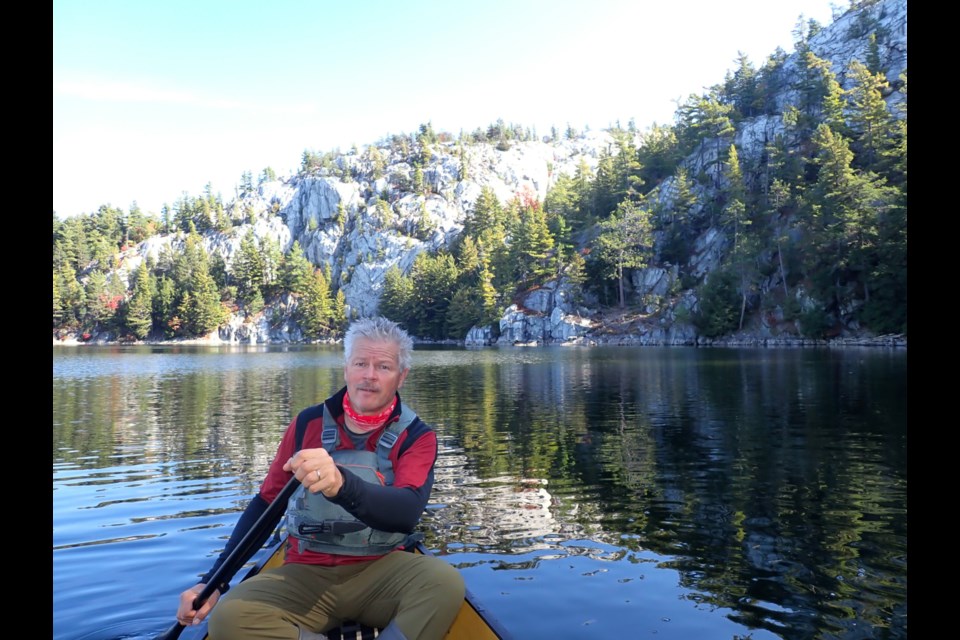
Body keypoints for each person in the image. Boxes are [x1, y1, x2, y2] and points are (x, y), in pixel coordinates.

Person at [175, 316, 464, 640]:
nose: (369, 375)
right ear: (346, 368)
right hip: (304, 574)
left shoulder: (416, 436)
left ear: (402, 376)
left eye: (383, 367)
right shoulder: (306, 425)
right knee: (230, 617)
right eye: (360, 363)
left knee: (445, 582)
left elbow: (406, 512)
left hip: (382, 572)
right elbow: (266, 503)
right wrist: (215, 582)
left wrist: (341, 484)